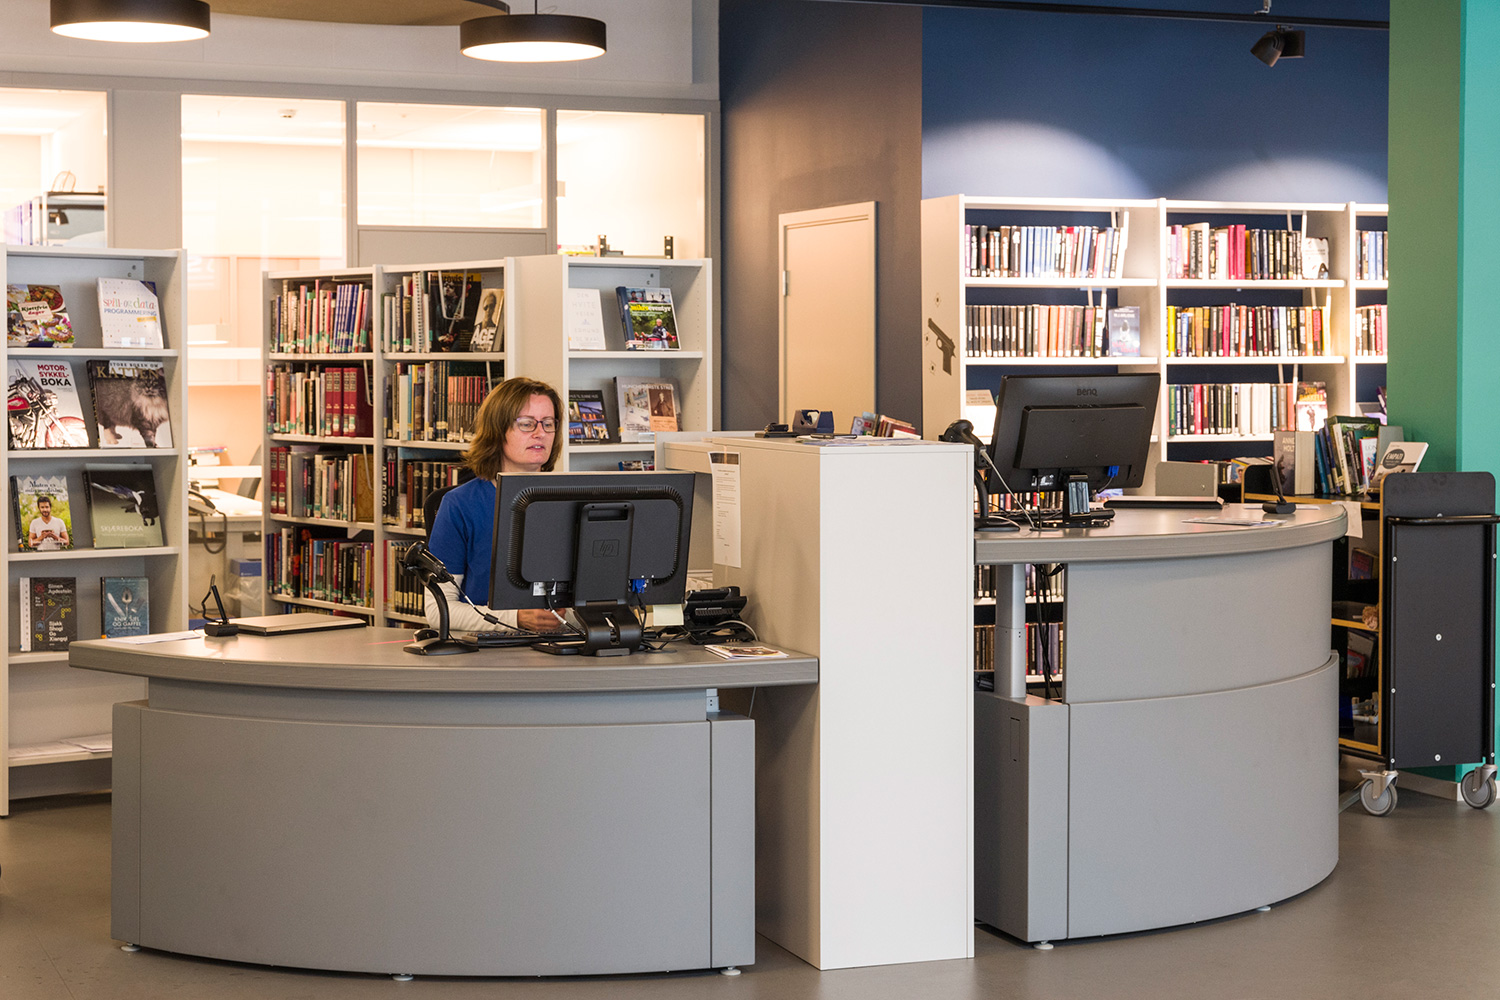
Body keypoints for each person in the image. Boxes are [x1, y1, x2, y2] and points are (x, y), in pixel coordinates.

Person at [425, 377, 566, 634]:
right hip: (488, 648)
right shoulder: (459, 505)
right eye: (527, 424)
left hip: (566, 645)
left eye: (548, 424)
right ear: (498, 430)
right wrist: (515, 619)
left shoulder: (572, 499)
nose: (540, 433)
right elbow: (438, 609)